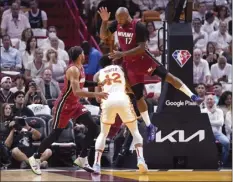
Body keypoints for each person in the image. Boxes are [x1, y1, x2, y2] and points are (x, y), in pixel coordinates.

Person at [98, 7, 202, 142]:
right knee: (139, 97)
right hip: (130, 65)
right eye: (118, 20)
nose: (119, 23)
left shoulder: (139, 26)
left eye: (122, 20)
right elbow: (103, 35)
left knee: (168, 77)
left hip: (143, 59)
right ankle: (149, 126)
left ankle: (192, 96)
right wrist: (104, 21)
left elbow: (141, 48)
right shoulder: (117, 23)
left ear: (127, 16)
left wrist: (122, 54)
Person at [28, 46, 108, 175]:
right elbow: (77, 91)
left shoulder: (81, 68)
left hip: (75, 104)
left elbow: (82, 83)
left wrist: (97, 85)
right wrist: (96, 94)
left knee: (93, 127)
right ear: (79, 55)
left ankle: (82, 157)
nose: (84, 55)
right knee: (55, 134)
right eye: (83, 53)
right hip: (64, 105)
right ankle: (35, 157)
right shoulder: (72, 70)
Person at [92, 55, 148, 174]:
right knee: (135, 131)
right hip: (122, 99)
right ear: (112, 62)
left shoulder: (97, 75)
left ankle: (96, 164)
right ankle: (141, 160)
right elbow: (129, 86)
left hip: (107, 101)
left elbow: (97, 99)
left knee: (103, 133)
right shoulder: (120, 68)